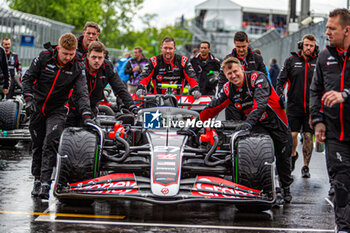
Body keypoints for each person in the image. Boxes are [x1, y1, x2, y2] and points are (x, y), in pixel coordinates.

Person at [200, 57, 293, 203]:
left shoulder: (257, 78)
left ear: (242, 69)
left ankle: (286, 188)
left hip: (277, 123)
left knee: (283, 157)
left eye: (235, 71)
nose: (233, 75)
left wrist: (248, 123)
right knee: (260, 155)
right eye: (229, 73)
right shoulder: (228, 88)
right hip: (257, 124)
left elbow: (260, 104)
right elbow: (212, 108)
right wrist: (196, 122)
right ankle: (267, 190)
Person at [22, 33, 92, 199]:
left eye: (71, 54)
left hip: (58, 109)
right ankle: (37, 179)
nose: (68, 57)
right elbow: (27, 78)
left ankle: (46, 183)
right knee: (38, 144)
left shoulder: (77, 65)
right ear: (58, 48)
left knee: (51, 142)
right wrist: (28, 98)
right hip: (38, 106)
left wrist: (86, 113)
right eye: (65, 53)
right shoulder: (44, 57)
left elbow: (82, 92)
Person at [310, 8, 350, 232]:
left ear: (347, 30)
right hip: (335, 134)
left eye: (331, 28)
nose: (327, 32)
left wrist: (344, 95)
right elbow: (315, 90)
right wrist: (318, 121)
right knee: (340, 184)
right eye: (326, 28)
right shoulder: (325, 56)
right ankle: (343, 228)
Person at [66, 41, 137, 127]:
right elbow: (81, 92)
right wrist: (86, 113)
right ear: (88, 56)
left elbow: (120, 88)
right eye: (94, 57)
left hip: (91, 109)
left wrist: (133, 107)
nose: (97, 61)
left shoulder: (107, 67)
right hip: (71, 109)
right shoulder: (79, 66)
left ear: (104, 57)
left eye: (100, 58)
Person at [277, 34, 318, 178]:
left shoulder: (318, 62)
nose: (308, 48)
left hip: (312, 107)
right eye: (306, 45)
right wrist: (280, 94)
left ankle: (306, 166)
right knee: (293, 135)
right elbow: (280, 80)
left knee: (308, 136)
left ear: (315, 47)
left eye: (311, 46)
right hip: (294, 106)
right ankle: (293, 155)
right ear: (301, 45)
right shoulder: (291, 61)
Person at [218, 31, 267, 120]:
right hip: (234, 104)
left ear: (248, 42)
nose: (241, 49)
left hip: (252, 103)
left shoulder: (257, 58)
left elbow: (264, 78)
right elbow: (222, 81)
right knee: (232, 131)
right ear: (234, 44)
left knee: (253, 131)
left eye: (243, 46)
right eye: (238, 47)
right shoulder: (227, 60)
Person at [136, 37, 201, 98]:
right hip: (158, 100)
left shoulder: (183, 61)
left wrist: (195, 89)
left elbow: (191, 77)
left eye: (170, 48)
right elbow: (144, 76)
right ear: (161, 48)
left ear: (174, 49)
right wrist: (141, 87)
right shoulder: (153, 61)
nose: (167, 51)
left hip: (178, 100)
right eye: (165, 48)